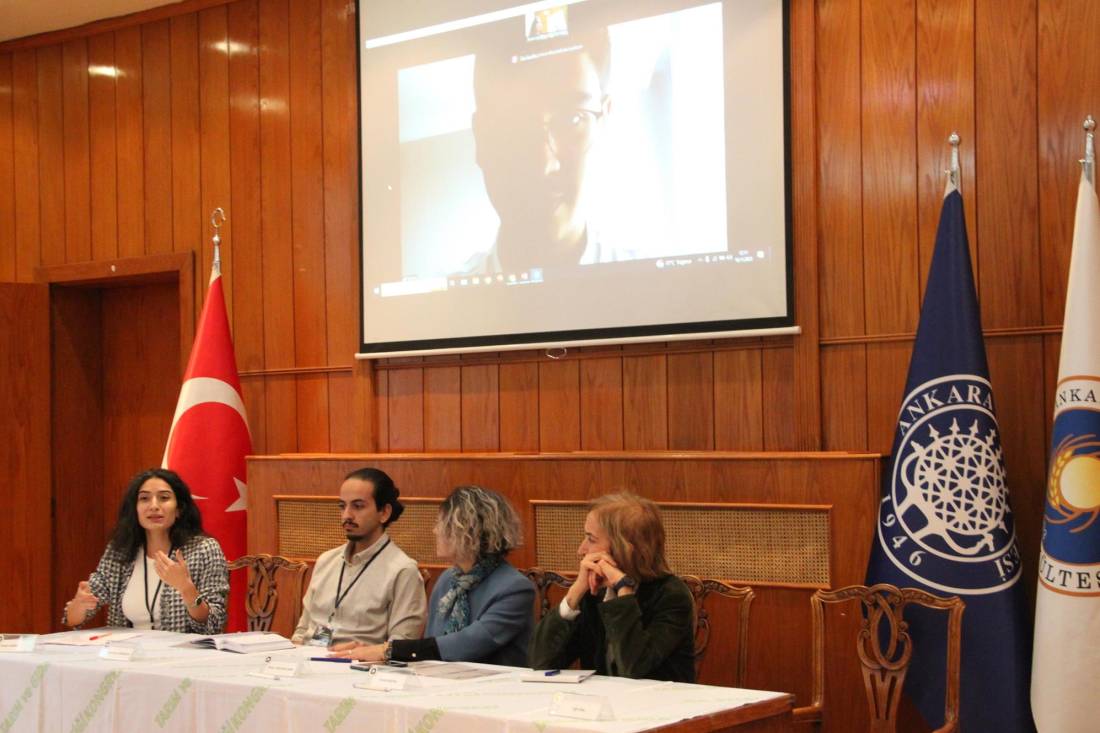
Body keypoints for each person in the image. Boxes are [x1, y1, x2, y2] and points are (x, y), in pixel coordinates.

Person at [463, 24, 638, 275]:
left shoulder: (665, 284)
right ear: (480, 139)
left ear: (602, 124)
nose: (543, 165)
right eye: (511, 126)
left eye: (572, 119)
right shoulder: (436, 300)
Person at [329, 486, 534, 666]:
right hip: (441, 682)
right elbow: (431, 649)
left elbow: (468, 644)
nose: (435, 531)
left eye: (442, 524)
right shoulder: (447, 579)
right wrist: (370, 651)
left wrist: (387, 650)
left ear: (470, 531)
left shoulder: (514, 588)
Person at [527, 492, 695, 682]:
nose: (581, 550)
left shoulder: (670, 595)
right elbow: (540, 662)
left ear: (624, 548)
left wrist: (623, 590)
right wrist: (576, 591)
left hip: (658, 699)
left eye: (591, 540)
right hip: (600, 698)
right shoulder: (593, 590)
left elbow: (634, 669)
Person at [62, 468, 230, 634]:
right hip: (126, 649)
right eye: (144, 499)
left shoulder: (203, 550)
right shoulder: (121, 551)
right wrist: (80, 603)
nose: (154, 506)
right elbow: (73, 619)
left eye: (164, 498)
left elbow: (213, 624)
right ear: (135, 509)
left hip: (181, 649)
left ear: (179, 509)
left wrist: (186, 588)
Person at [291, 468, 426, 647]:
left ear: (384, 513)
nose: (347, 515)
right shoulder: (326, 561)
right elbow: (301, 633)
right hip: (308, 658)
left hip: (358, 662)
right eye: (342, 506)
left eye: (358, 506)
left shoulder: (402, 570)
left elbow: (400, 648)